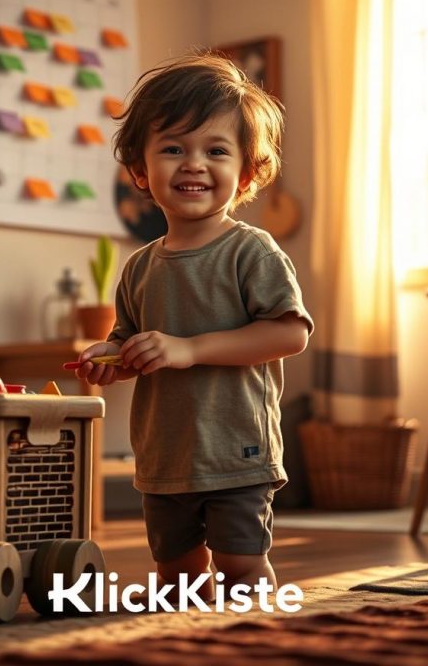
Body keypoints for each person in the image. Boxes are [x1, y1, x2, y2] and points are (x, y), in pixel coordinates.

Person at [75, 52, 313, 601]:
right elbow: (131, 341)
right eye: (173, 149)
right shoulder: (138, 267)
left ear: (246, 173)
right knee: (177, 582)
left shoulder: (251, 251)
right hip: (164, 458)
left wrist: (189, 349)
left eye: (216, 150)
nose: (193, 164)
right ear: (140, 170)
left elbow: (289, 333)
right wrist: (109, 358)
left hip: (237, 453)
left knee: (239, 573)